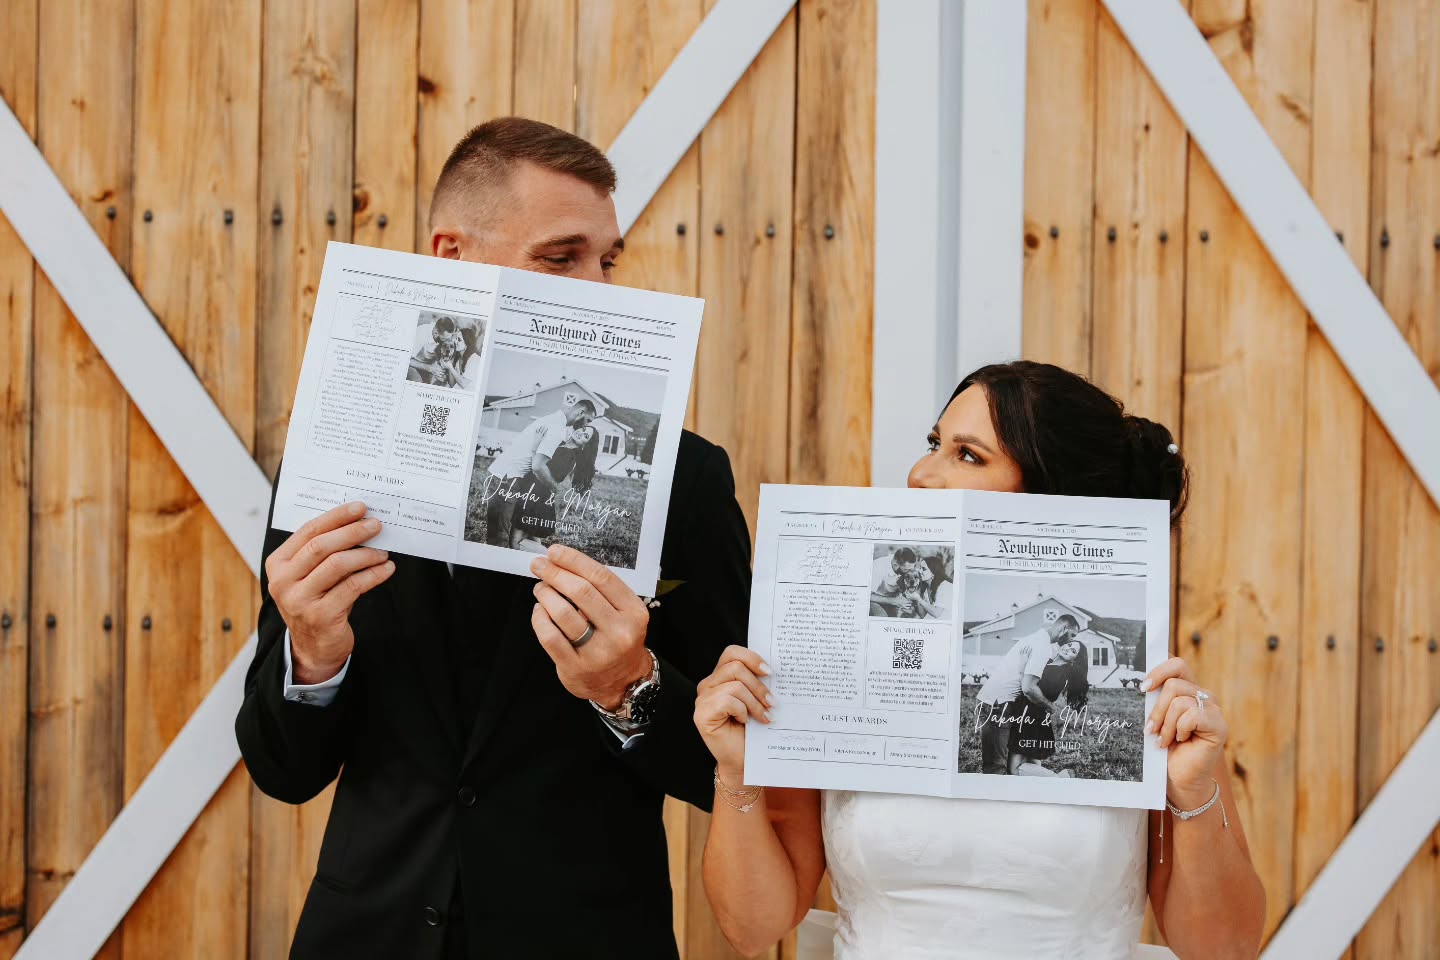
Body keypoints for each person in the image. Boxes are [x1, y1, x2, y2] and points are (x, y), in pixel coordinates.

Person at [236, 117, 751, 959]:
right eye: (561, 258)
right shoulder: (337, 458)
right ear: (452, 257)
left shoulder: (685, 479)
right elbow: (280, 772)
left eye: (608, 260)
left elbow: (724, 765)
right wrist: (313, 658)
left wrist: (629, 688)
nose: (598, 288)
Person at [693, 361, 1266, 959]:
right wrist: (735, 772)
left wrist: (1193, 790)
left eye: (967, 455)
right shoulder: (834, 661)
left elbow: (1225, 950)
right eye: (933, 444)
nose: (920, 474)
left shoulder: (1162, 703)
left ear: (1052, 491)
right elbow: (752, 928)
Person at [974, 613, 1081, 774]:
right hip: (998, 704)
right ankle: (1060, 779)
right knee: (996, 767)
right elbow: (1028, 688)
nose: (1070, 641)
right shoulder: (1042, 647)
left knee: (1007, 764)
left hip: (995, 701)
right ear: (1063, 628)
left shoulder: (1035, 638)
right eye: (1072, 635)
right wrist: (1050, 707)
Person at [482, 398, 596, 547]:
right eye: (588, 420)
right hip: (507, 478)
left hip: (506, 476)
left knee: (504, 535)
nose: (586, 425)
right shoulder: (557, 429)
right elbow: (537, 467)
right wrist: (556, 488)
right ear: (580, 413)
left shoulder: (553, 420)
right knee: (500, 538)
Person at [1008, 638, 1088, 778]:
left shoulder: (1059, 673)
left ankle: (1060, 779)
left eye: (1073, 651)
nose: (1068, 649)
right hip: (1031, 717)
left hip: (1031, 718)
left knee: (1014, 769)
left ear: (1074, 660)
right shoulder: (1050, 662)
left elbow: (1029, 689)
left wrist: (1023, 665)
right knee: (1031, 763)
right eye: (1069, 645)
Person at [513, 424, 599, 552]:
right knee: (531, 537)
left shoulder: (569, 455)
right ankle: (543, 557)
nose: (581, 433)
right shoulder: (562, 445)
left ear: (585, 445)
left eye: (585, 436)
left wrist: (535, 447)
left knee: (515, 541)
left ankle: (548, 556)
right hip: (533, 494)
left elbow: (541, 469)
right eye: (583, 429)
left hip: (536, 498)